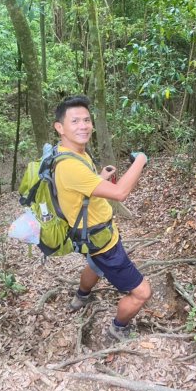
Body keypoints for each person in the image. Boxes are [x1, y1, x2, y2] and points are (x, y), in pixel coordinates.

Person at [52, 95, 151, 341]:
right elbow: (120, 194)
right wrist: (140, 160)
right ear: (60, 127)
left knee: (94, 265)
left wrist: (100, 178)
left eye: (86, 120)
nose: (83, 126)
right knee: (141, 293)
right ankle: (119, 328)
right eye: (74, 121)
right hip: (102, 242)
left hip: (86, 235)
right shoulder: (70, 165)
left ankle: (81, 297)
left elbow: (79, 190)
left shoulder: (70, 153)